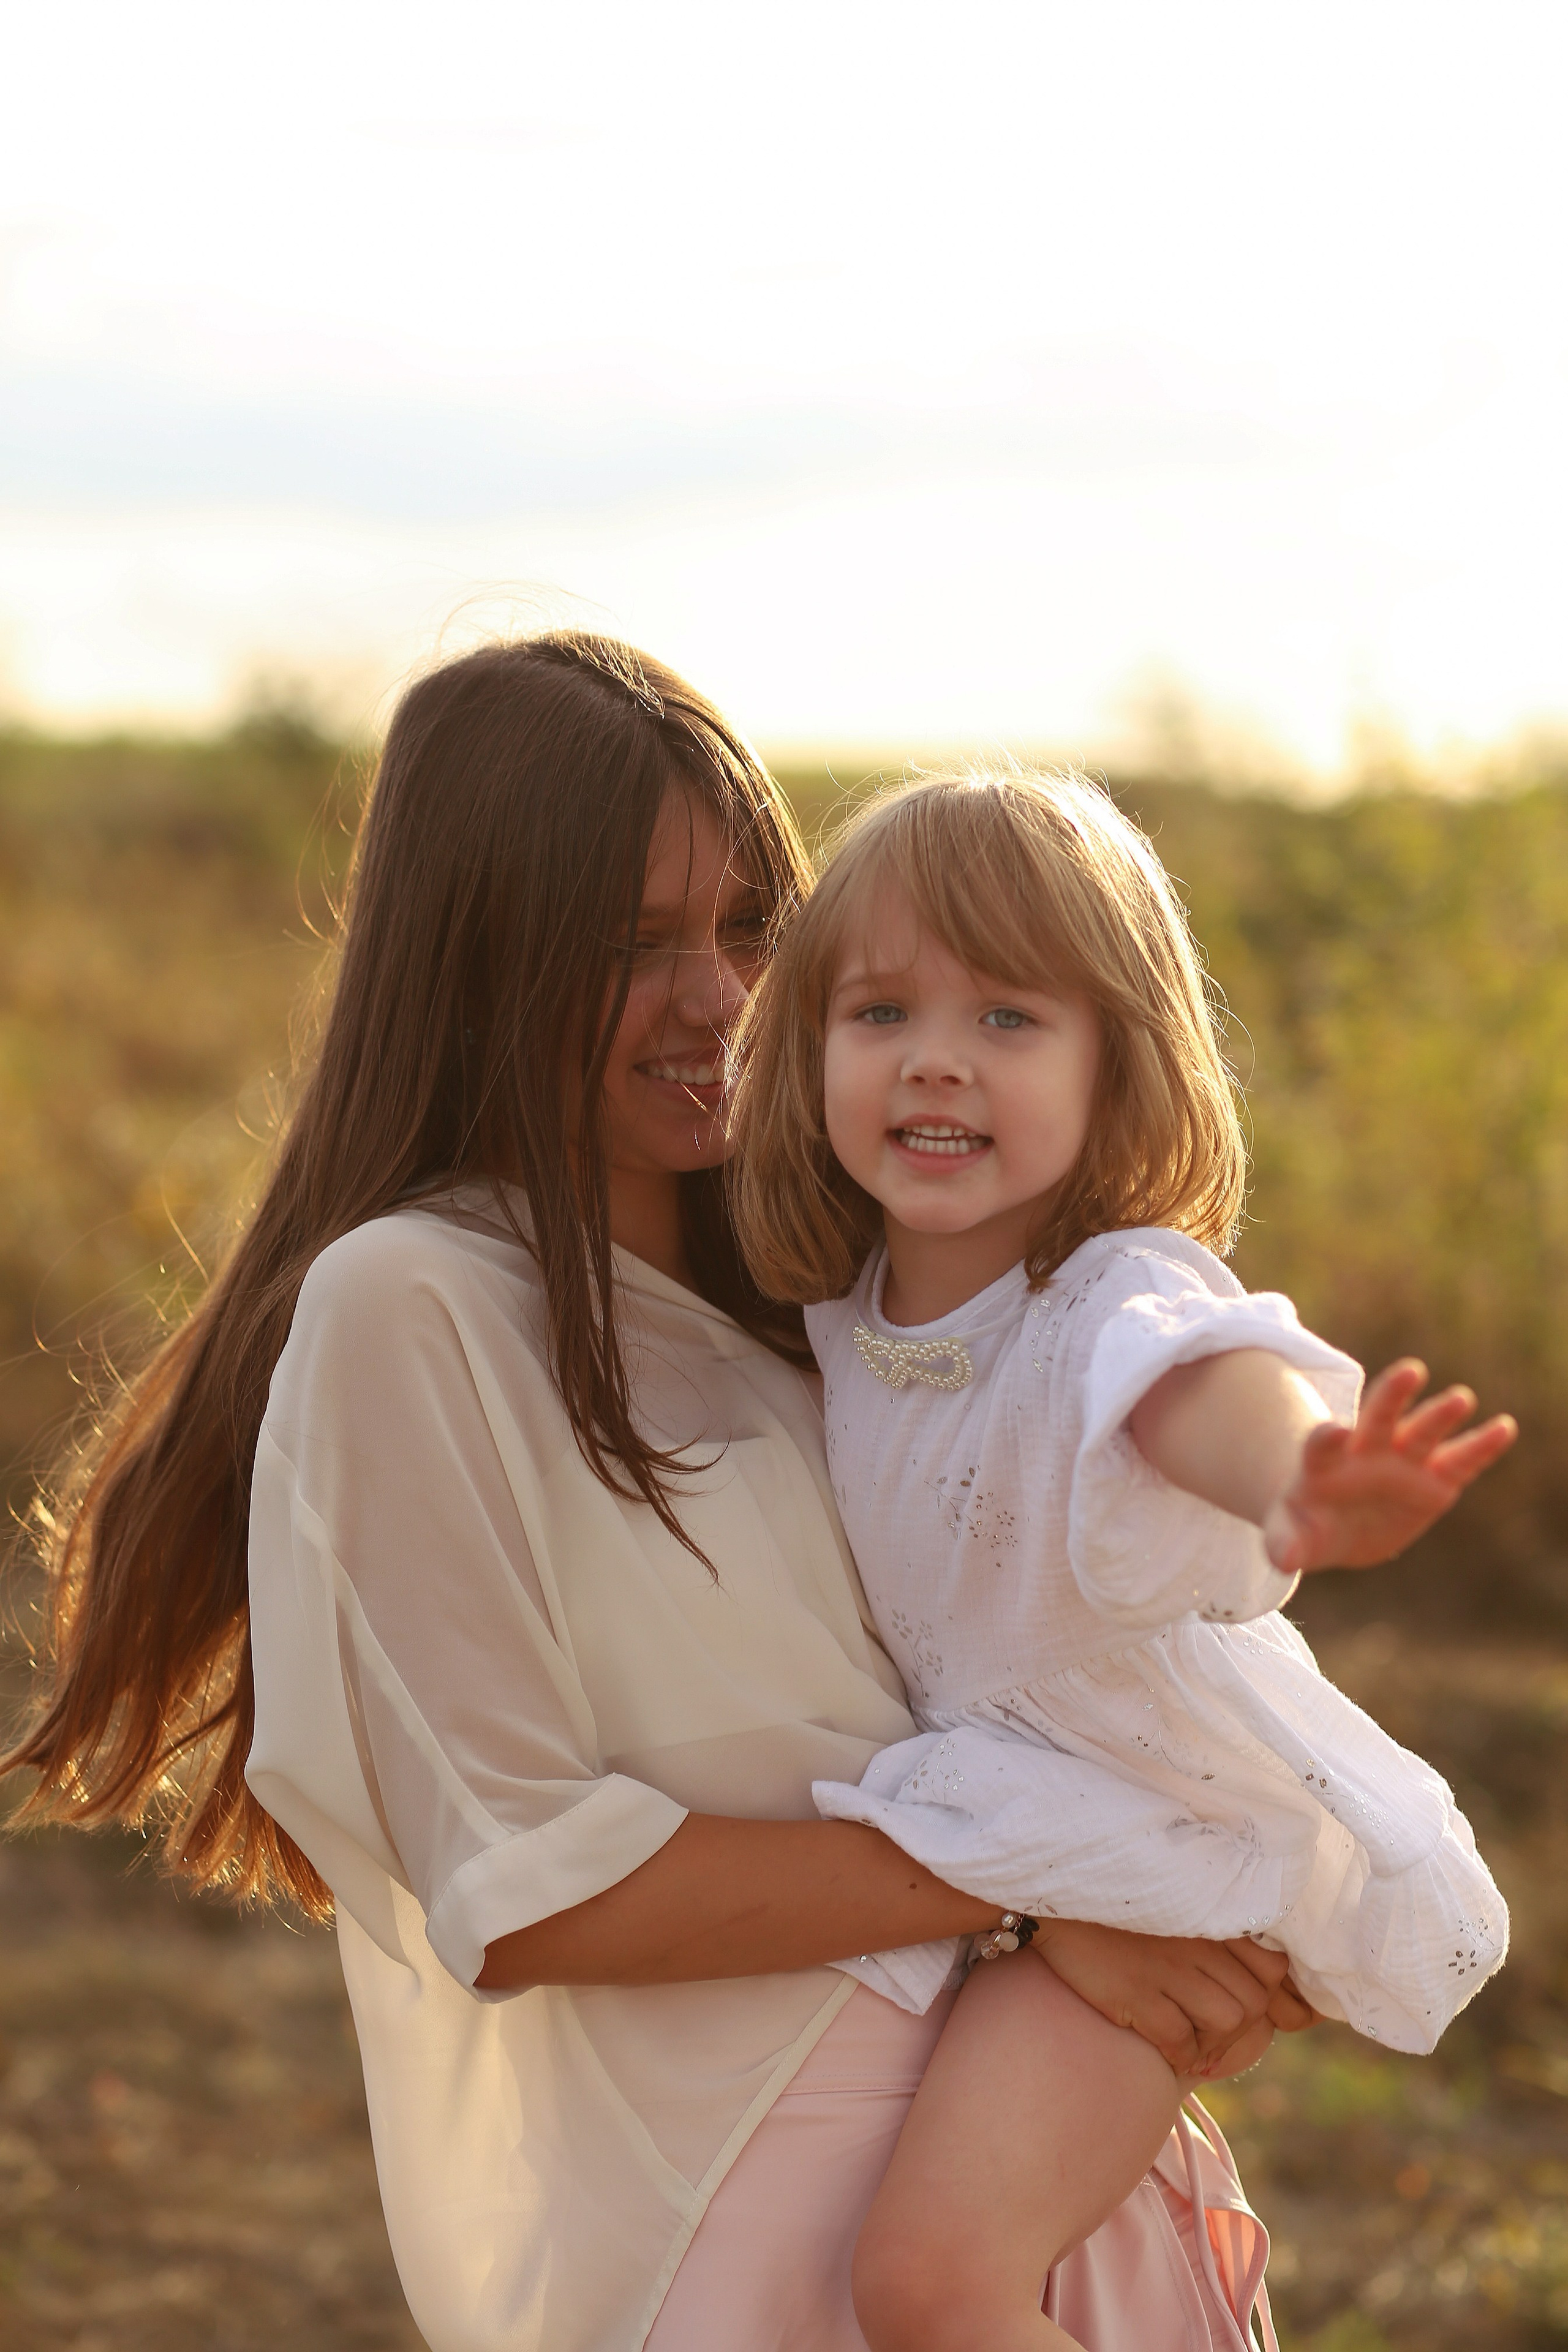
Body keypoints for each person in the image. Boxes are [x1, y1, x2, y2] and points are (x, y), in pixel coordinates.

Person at [5, 640, 1308, 2352]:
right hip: (758, 2243)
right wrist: (1041, 1887)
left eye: (752, 925)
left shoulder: (830, 1302)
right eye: (632, 950)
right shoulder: (415, 1307)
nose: (718, 998)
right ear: (473, 964)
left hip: (1029, 2190)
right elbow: (533, 1888)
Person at [725, 766, 1516, 2352]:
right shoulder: (843, 1317)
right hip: (1005, 1834)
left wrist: (1300, 1474)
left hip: (1147, 1837)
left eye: (1010, 1018)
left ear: (1117, 1067)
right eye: (881, 1012)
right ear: (806, 1044)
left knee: (934, 2287)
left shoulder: (1099, 1296)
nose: (938, 1057)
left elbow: (1190, 1388)